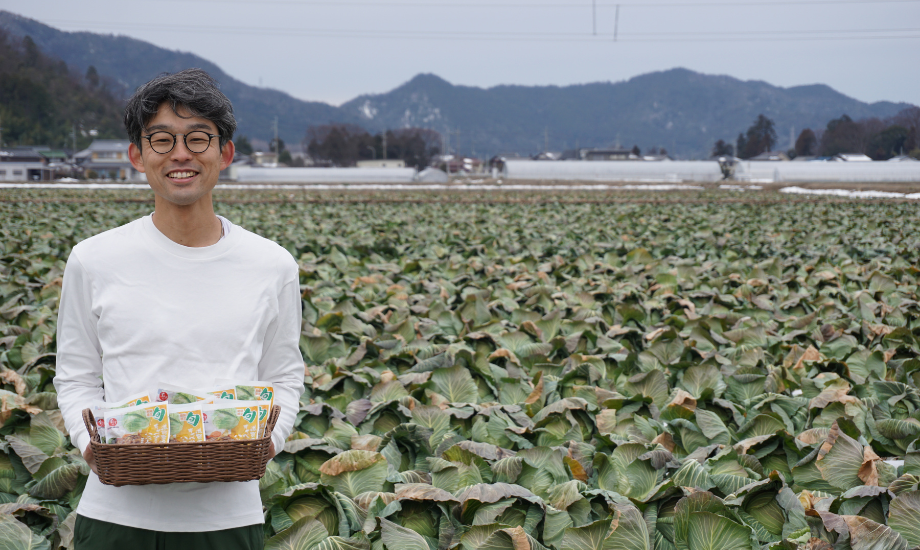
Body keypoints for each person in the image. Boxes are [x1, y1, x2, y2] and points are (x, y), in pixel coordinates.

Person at [54, 68, 304, 550]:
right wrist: (93, 448)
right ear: (137, 156)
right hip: (114, 518)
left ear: (225, 153)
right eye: (162, 140)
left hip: (227, 521)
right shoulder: (94, 258)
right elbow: (76, 376)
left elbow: (284, 376)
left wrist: (267, 445)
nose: (181, 154)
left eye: (198, 138)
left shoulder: (271, 264)